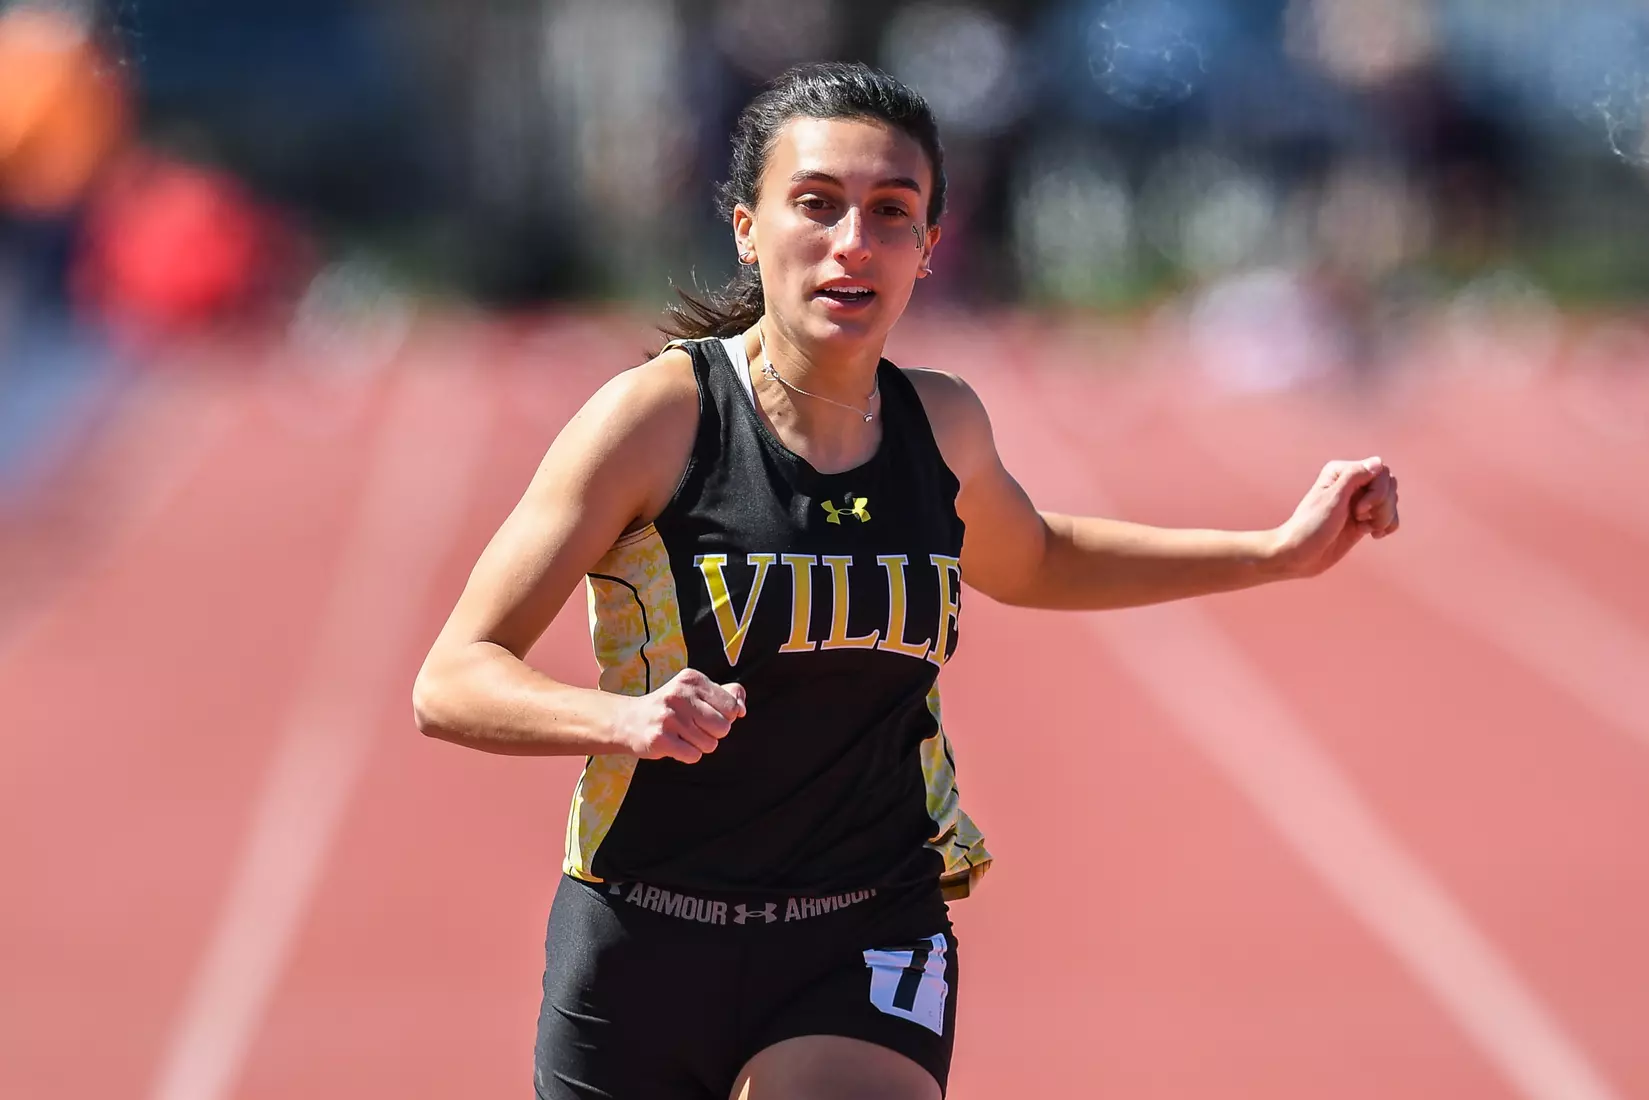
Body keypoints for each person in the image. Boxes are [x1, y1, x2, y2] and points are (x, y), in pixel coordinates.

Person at [412, 61, 1400, 1100]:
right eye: (815, 204)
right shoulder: (658, 419)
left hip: (865, 925)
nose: (852, 241)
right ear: (747, 227)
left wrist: (1274, 549)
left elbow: (1038, 557)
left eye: (890, 212)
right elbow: (452, 678)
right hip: (645, 928)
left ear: (928, 247)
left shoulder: (941, 422)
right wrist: (619, 718)